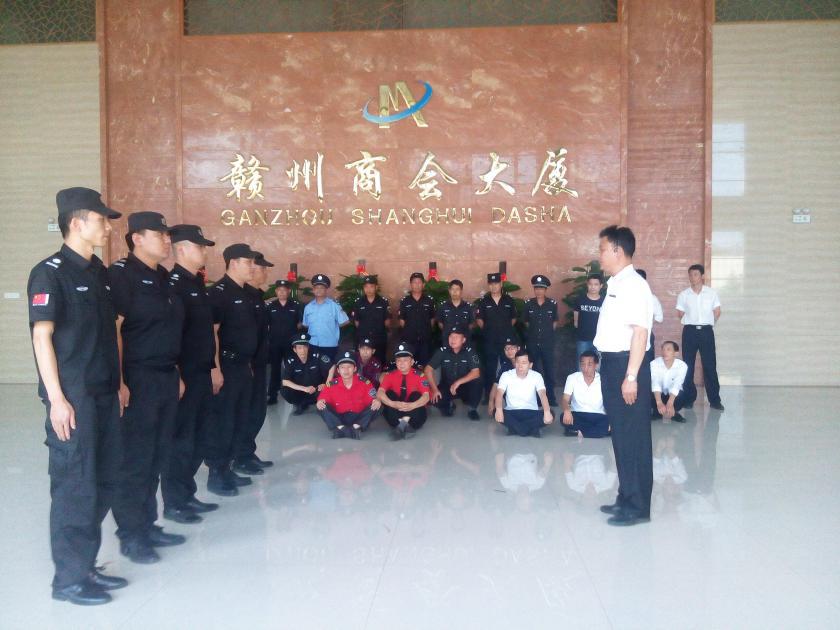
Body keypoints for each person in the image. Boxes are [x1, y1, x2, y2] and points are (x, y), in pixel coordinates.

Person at [28, 187, 126, 605]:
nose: (108, 228)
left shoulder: (98, 272)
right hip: (74, 399)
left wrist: (120, 383)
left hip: (104, 393)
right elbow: (42, 337)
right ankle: (68, 580)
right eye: (101, 220)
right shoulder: (49, 273)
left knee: (104, 481)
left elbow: (109, 333)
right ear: (77, 222)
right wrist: (57, 399)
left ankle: (85, 566)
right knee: (75, 487)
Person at [108, 211, 186, 563]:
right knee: (135, 459)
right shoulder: (121, 275)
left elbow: (168, 331)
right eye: (160, 235)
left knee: (157, 453)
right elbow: (114, 330)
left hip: (165, 376)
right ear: (137, 239)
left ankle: (148, 524)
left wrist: (177, 373)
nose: (167, 240)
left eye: (168, 235)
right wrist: (119, 381)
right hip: (137, 378)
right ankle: (131, 534)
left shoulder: (163, 277)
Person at [593, 225, 654, 527]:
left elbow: (640, 333)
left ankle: (638, 506)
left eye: (602, 249)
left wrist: (631, 377)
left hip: (627, 366)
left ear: (617, 250)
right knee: (620, 434)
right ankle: (626, 496)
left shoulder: (634, 286)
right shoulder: (617, 283)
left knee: (634, 437)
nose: (599, 255)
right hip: (613, 365)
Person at [160, 225, 219, 525]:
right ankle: (174, 502)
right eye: (199, 246)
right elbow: (171, 336)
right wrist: (178, 374)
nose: (204, 251)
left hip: (202, 372)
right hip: (185, 375)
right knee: (181, 440)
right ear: (182, 249)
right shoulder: (173, 285)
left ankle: (187, 493)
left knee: (200, 437)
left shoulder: (196, 283)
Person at [205, 243, 259, 497]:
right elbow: (212, 333)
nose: (252, 267)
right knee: (223, 421)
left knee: (239, 419)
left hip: (242, 366)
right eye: (249, 262)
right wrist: (215, 368)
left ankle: (228, 468)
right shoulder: (219, 292)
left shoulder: (246, 293)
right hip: (225, 366)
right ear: (234, 263)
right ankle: (216, 474)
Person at [233, 252, 274, 476]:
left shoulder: (257, 296)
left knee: (257, 412)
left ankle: (247, 452)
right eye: (261, 267)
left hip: (259, 362)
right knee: (247, 412)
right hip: (247, 364)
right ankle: (240, 457)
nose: (264, 272)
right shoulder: (244, 296)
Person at [676, 264, 724, 411]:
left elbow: (717, 311)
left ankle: (715, 400)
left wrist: (708, 324)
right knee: (688, 366)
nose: (692, 277)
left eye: (696, 274)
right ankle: (689, 399)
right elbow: (680, 313)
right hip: (689, 332)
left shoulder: (711, 293)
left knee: (710, 365)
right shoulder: (684, 294)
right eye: (690, 275)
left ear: (702, 276)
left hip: (706, 332)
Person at [316, 351, 381, 439]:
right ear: (338, 370)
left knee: (378, 405)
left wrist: (376, 400)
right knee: (321, 406)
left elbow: (373, 399)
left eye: (349, 367)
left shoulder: (364, 382)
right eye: (342, 367)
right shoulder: (331, 384)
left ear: (354, 369)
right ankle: (343, 428)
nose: (346, 370)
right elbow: (322, 398)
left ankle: (354, 427)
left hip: (358, 416)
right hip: (339, 417)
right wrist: (320, 402)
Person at [423, 326, 482, 420]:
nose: (453, 339)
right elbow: (428, 369)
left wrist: (458, 382)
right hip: (447, 386)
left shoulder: (469, 351)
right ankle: (449, 405)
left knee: (477, 381)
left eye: (456, 337)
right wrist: (434, 389)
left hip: (465, 387)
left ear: (463, 340)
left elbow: (476, 372)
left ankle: (472, 409)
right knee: (434, 399)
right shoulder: (442, 351)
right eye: (451, 336)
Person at [475, 272, 517, 399]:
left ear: (501, 284)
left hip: (506, 341)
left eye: (496, 283)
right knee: (490, 368)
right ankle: (489, 395)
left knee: (507, 367)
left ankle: (507, 395)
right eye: (491, 284)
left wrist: (505, 330)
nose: (494, 286)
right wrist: (489, 330)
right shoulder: (484, 301)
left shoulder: (509, 300)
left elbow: (513, 318)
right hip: (490, 340)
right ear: (489, 285)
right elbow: (479, 319)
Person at [493, 349, 554, 437]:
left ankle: (516, 428)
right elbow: (499, 394)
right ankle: (531, 428)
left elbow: (542, 395)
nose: (520, 366)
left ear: (530, 365)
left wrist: (547, 411)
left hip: (531, 412)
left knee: (551, 413)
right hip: (512, 412)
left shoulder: (537, 376)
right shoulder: (506, 375)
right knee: (496, 411)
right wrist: (499, 410)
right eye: (517, 362)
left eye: (524, 363)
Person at [377, 343, 431, 440]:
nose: (401, 363)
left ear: (412, 362)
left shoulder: (420, 376)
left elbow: (426, 396)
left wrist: (412, 405)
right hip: (396, 412)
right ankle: (405, 425)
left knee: (416, 395)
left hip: (415, 415)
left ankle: (402, 424)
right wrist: (393, 404)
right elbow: (380, 392)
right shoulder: (390, 375)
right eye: (399, 360)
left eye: (405, 360)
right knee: (389, 394)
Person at [522, 274, 558, 406]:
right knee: (534, 371)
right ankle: (536, 398)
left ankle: (551, 397)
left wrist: (546, 334)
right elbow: (526, 322)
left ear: (545, 289)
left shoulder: (552, 304)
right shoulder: (528, 304)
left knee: (549, 370)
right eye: (536, 288)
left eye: (541, 288)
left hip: (547, 343)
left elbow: (554, 322)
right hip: (532, 343)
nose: (538, 291)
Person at [266, 279, 302, 405]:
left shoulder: (296, 305)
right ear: (276, 291)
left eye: (284, 290)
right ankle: (273, 395)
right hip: (275, 344)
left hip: (291, 345)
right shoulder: (270, 306)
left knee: (293, 368)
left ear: (289, 291)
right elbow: (267, 325)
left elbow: (300, 323)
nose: (281, 292)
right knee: (275, 369)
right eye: (279, 290)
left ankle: (296, 395)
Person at [561, 351, 610, 438]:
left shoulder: (603, 379)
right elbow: (565, 399)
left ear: (596, 365)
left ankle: (578, 432)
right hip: (578, 414)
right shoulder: (572, 377)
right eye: (583, 364)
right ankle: (598, 431)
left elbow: (609, 401)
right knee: (563, 417)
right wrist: (567, 411)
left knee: (611, 422)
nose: (585, 368)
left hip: (597, 415)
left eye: (589, 365)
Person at [281, 332, 331, 415]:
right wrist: (304, 388)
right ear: (295, 350)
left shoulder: (316, 355)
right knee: (285, 390)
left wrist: (326, 384)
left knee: (330, 386)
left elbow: (332, 366)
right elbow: (285, 381)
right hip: (300, 390)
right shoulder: (290, 361)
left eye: (305, 347)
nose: (303, 350)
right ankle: (300, 404)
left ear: (308, 347)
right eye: (299, 348)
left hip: (316, 389)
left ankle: (318, 402)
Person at [302, 273, 349, 363]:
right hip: (313, 344)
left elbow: (345, 321)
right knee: (313, 369)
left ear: (326, 290)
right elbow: (306, 325)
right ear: (313, 290)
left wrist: (332, 328)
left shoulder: (334, 306)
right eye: (316, 288)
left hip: (329, 345)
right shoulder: (308, 307)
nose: (319, 290)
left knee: (329, 369)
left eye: (322, 288)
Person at [350, 275, 390, 364]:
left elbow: (387, 322)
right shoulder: (358, 302)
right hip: (363, 339)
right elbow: (356, 322)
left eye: (371, 286)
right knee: (362, 363)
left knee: (380, 362)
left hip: (379, 339)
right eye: (366, 287)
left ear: (376, 287)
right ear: (363, 288)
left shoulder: (383, 302)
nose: (368, 289)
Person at [398, 272, 436, 365]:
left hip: (425, 339)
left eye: (419, 282)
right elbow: (402, 321)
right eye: (414, 282)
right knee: (410, 364)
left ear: (423, 284)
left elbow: (432, 320)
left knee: (425, 364)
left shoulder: (429, 300)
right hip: (409, 339)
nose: (417, 285)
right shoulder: (404, 301)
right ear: (411, 284)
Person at [650, 341, 688, 422]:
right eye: (663, 349)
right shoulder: (654, 363)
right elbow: (655, 382)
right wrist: (659, 402)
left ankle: (674, 413)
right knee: (648, 392)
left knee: (682, 394)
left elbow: (677, 384)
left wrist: (670, 403)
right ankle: (657, 413)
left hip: (672, 395)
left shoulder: (682, 366)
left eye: (668, 349)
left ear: (676, 353)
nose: (665, 352)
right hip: (658, 394)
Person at [636, 269, 664, 366]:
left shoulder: (652, 298)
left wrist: (647, 324)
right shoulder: (625, 297)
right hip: (628, 335)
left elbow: (659, 318)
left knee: (648, 362)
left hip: (646, 334)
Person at [574, 273, 604, 361]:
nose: (593, 287)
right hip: (583, 339)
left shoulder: (605, 302)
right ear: (587, 285)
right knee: (582, 365)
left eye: (596, 284)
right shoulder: (580, 300)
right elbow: (576, 321)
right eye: (590, 284)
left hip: (599, 340)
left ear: (601, 286)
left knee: (597, 365)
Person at [487, 336, 520, 418]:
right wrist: (491, 402)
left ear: (518, 349)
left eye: (512, 348)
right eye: (506, 348)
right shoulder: (505, 365)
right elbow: (496, 384)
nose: (509, 351)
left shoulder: (526, 362)